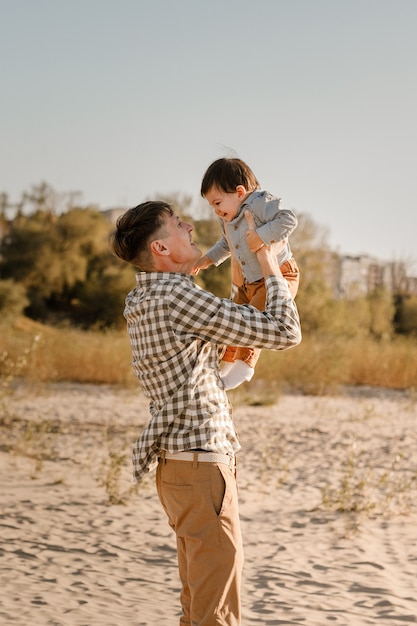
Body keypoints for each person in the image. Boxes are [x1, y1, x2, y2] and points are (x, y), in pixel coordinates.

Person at [109, 200, 301, 626]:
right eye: (179, 224)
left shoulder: (144, 297)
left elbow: (225, 334)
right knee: (216, 610)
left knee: (198, 603)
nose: (191, 225)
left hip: (179, 468)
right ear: (160, 247)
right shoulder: (177, 297)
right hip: (199, 465)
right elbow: (284, 332)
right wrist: (269, 264)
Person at [195, 157, 300, 390]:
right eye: (212, 206)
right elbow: (226, 243)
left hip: (278, 275)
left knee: (253, 319)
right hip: (249, 282)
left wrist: (261, 235)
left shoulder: (260, 204)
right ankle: (227, 362)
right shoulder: (230, 220)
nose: (216, 211)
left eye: (218, 203)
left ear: (240, 192)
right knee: (235, 318)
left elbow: (289, 219)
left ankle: (245, 366)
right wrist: (207, 259)